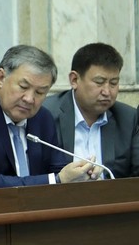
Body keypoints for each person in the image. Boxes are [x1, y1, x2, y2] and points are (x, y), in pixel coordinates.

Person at [0, 45, 96, 187]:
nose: (29, 99)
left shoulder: (43, 118)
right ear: (1, 77)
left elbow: (59, 170)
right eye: (23, 87)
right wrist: (56, 180)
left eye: (40, 92)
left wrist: (82, 173)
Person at [42, 43, 139, 179]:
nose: (107, 92)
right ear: (74, 80)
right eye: (99, 82)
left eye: (113, 83)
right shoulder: (45, 114)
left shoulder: (128, 118)